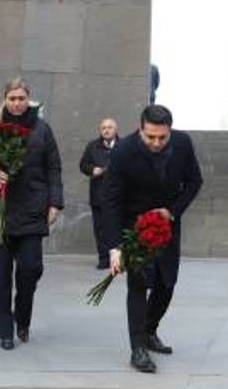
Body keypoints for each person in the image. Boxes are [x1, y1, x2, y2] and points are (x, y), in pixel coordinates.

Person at [103, 104, 203, 374]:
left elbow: (195, 182)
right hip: (134, 227)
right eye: (150, 137)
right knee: (139, 284)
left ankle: (149, 330)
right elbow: (111, 200)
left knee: (166, 283)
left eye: (162, 137)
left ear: (170, 130)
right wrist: (114, 247)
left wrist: (172, 212)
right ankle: (137, 348)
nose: (156, 142)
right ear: (141, 129)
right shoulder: (123, 151)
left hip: (167, 224)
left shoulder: (182, 143)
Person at [0, 77, 63, 350]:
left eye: (21, 98)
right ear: (5, 99)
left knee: (31, 268)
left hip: (33, 210)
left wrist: (55, 203)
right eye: (12, 98)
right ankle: (5, 330)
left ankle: (22, 317)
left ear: (28, 99)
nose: (17, 103)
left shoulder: (42, 130)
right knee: (0, 275)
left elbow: (54, 168)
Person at [79, 117, 118, 269]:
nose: (106, 130)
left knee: (117, 227)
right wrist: (92, 169)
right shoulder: (92, 146)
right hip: (98, 194)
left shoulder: (123, 146)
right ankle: (104, 258)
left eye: (110, 127)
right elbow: (83, 165)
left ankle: (118, 257)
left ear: (116, 129)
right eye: (103, 128)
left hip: (117, 195)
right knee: (100, 228)